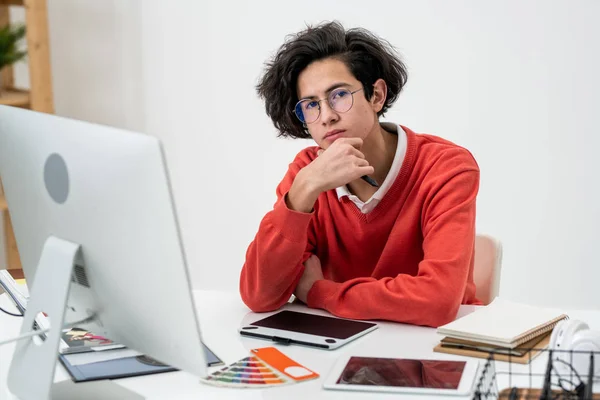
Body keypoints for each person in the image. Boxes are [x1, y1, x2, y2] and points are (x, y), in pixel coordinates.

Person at [239, 20, 481, 327]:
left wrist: (319, 292)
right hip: (337, 351)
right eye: (311, 105)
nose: (327, 116)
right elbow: (259, 296)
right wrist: (301, 194)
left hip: (432, 352)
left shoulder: (445, 167)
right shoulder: (307, 174)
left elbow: (437, 302)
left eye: (339, 95)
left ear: (376, 95)